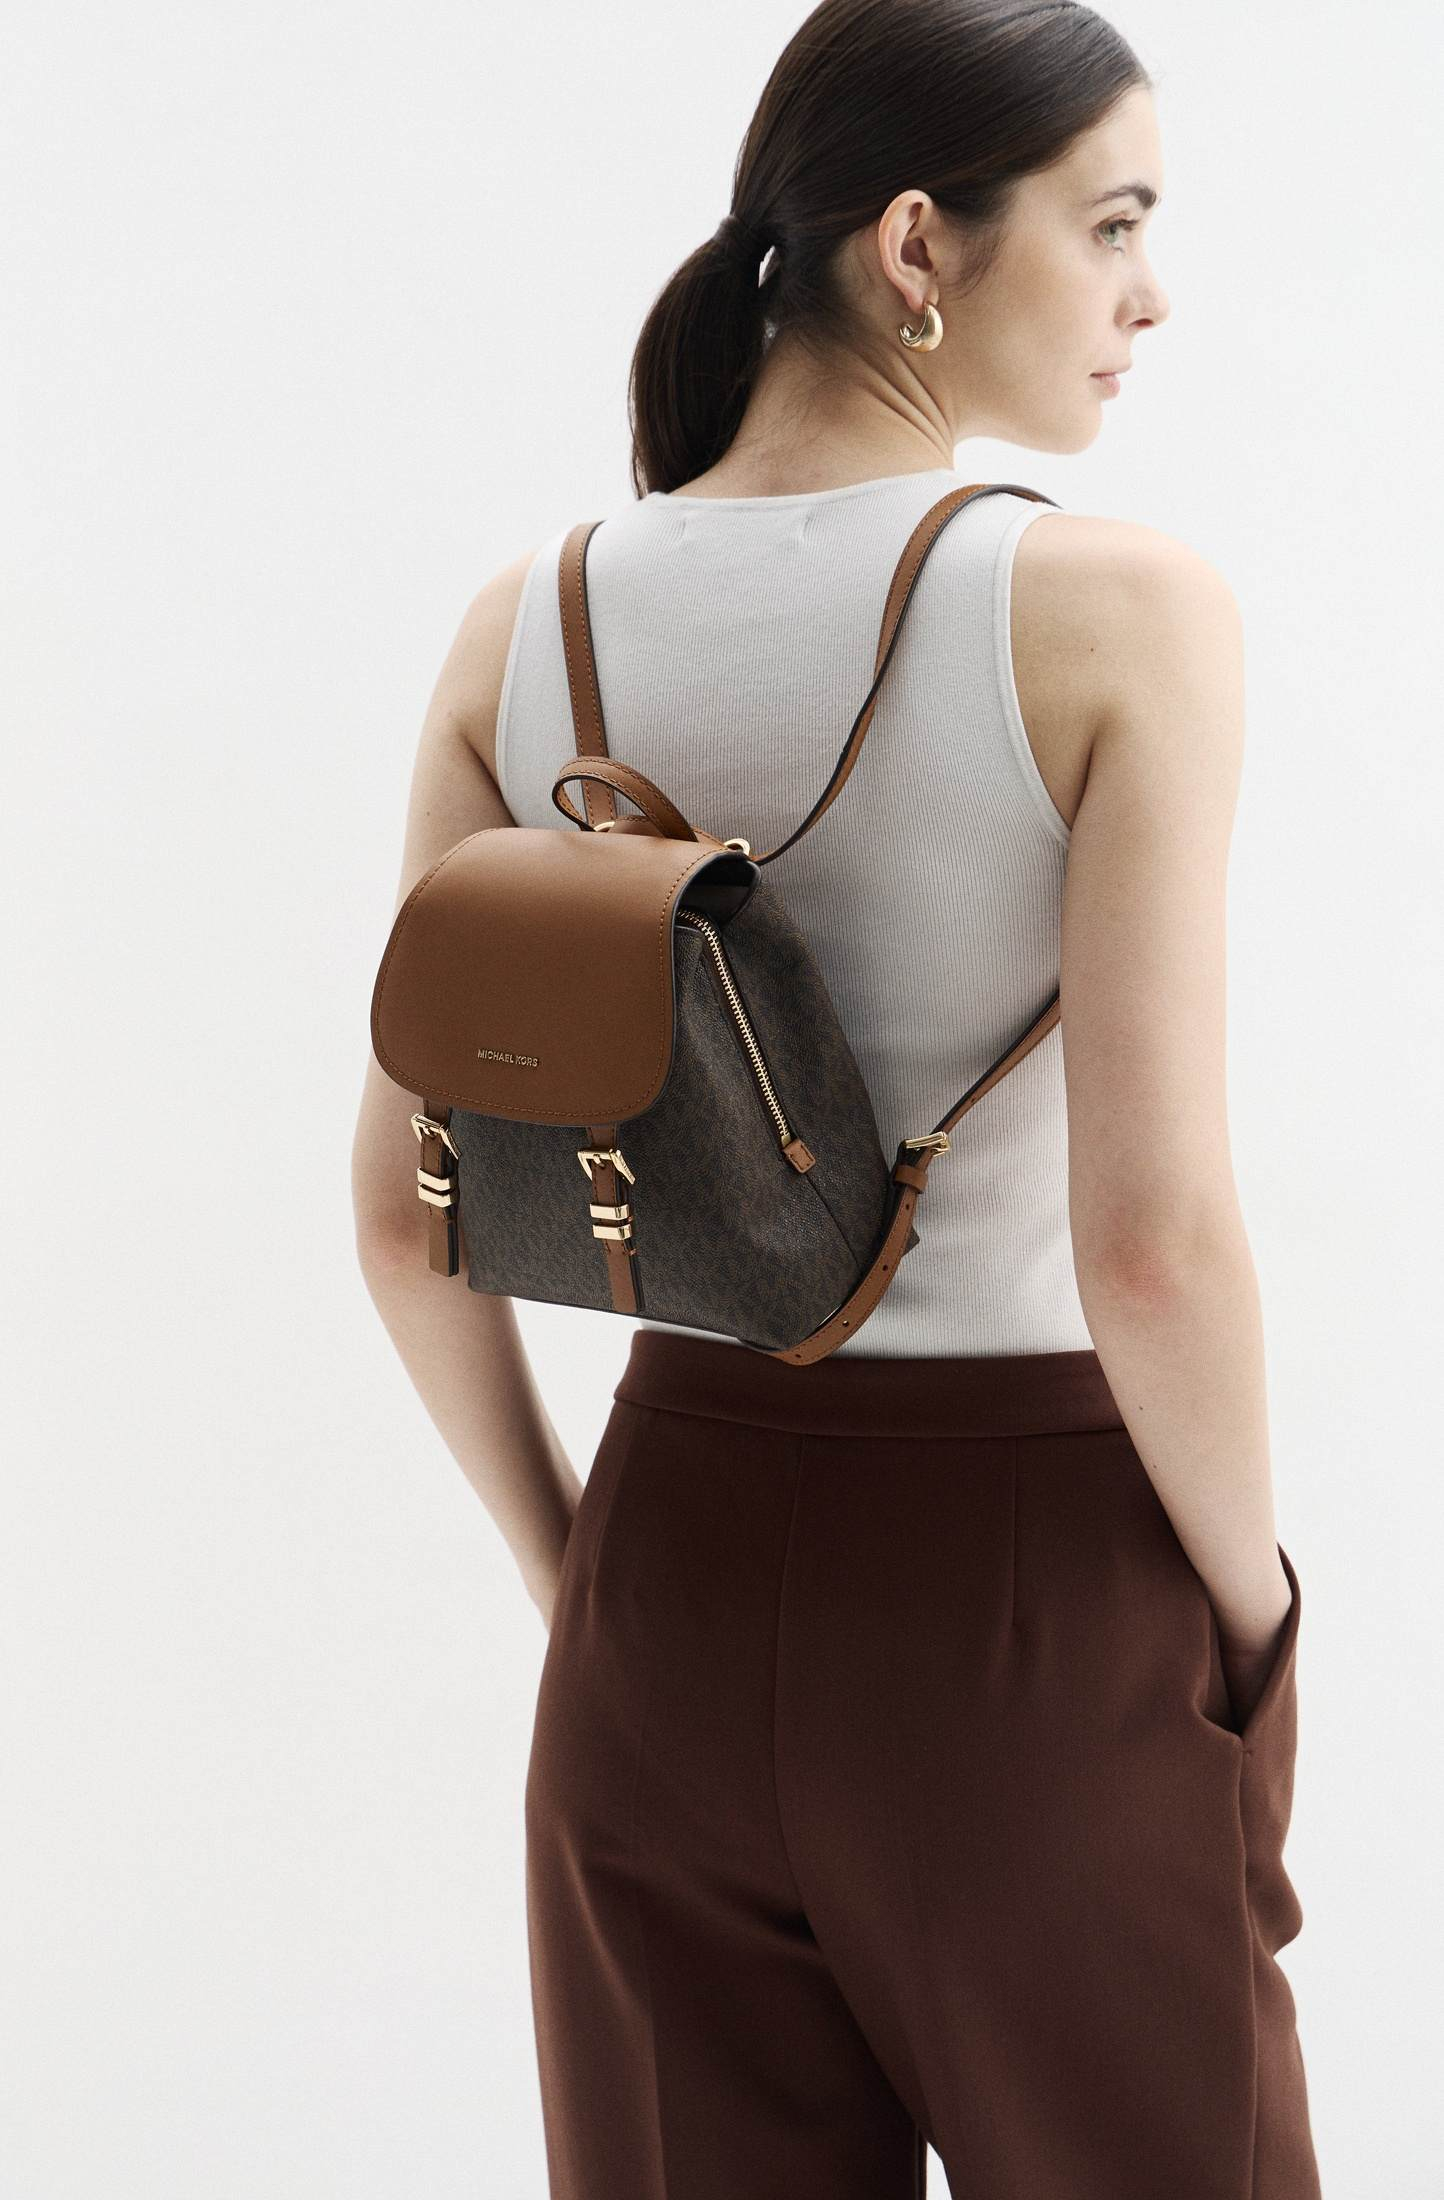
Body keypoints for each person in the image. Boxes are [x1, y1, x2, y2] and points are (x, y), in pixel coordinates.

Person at [351, 1, 1322, 2191]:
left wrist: (592, 1587)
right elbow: (1151, 1247)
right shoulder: (1116, 609)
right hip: (1037, 1605)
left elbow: (406, 1216)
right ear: (917, 246)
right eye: (1113, 224)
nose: (1152, 292)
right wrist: (1253, 1629)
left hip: (665, 1584)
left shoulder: (526, 626)